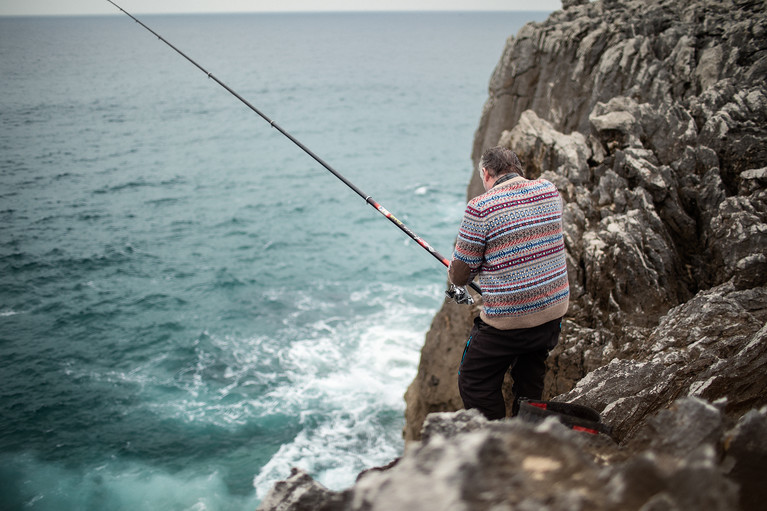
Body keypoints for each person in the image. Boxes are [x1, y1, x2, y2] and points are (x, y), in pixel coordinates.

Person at [448, 146, 569, 420]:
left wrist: (459, 267)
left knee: (473, 380)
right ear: (518, 170)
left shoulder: (480, 208)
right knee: (530, 375)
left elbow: (460, 274)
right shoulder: (550, 191)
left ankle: (496, 440)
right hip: (552, 313)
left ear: (486, 173)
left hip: (508, 323)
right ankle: (528, 430)